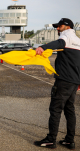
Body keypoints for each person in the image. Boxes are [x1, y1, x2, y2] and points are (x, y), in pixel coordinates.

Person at [34, 18, 80, 149]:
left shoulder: (67, 37)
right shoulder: (78, 41)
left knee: (55, 109)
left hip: (64, 81)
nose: (57, 29)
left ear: (67, 26)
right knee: (69, 110)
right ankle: (69, 140)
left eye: (59, 26)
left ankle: (50, 139)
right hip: (73, 82)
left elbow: (58, 43)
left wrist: (43, 47)